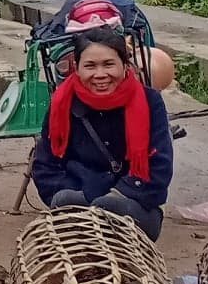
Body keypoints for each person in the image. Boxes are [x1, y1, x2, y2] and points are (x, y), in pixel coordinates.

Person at [31, 27, 173, 240]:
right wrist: (83, 195)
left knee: (110, 206)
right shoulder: (62, 104)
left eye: (109, 64)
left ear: (125, 66)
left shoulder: (150, 102)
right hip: (78, 196)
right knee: (66, 199)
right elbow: (45, 165)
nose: (100, 75)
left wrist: (117, 195)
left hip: (132, 201)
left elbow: (159, 167)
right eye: (90, 66)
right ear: (76, 69)